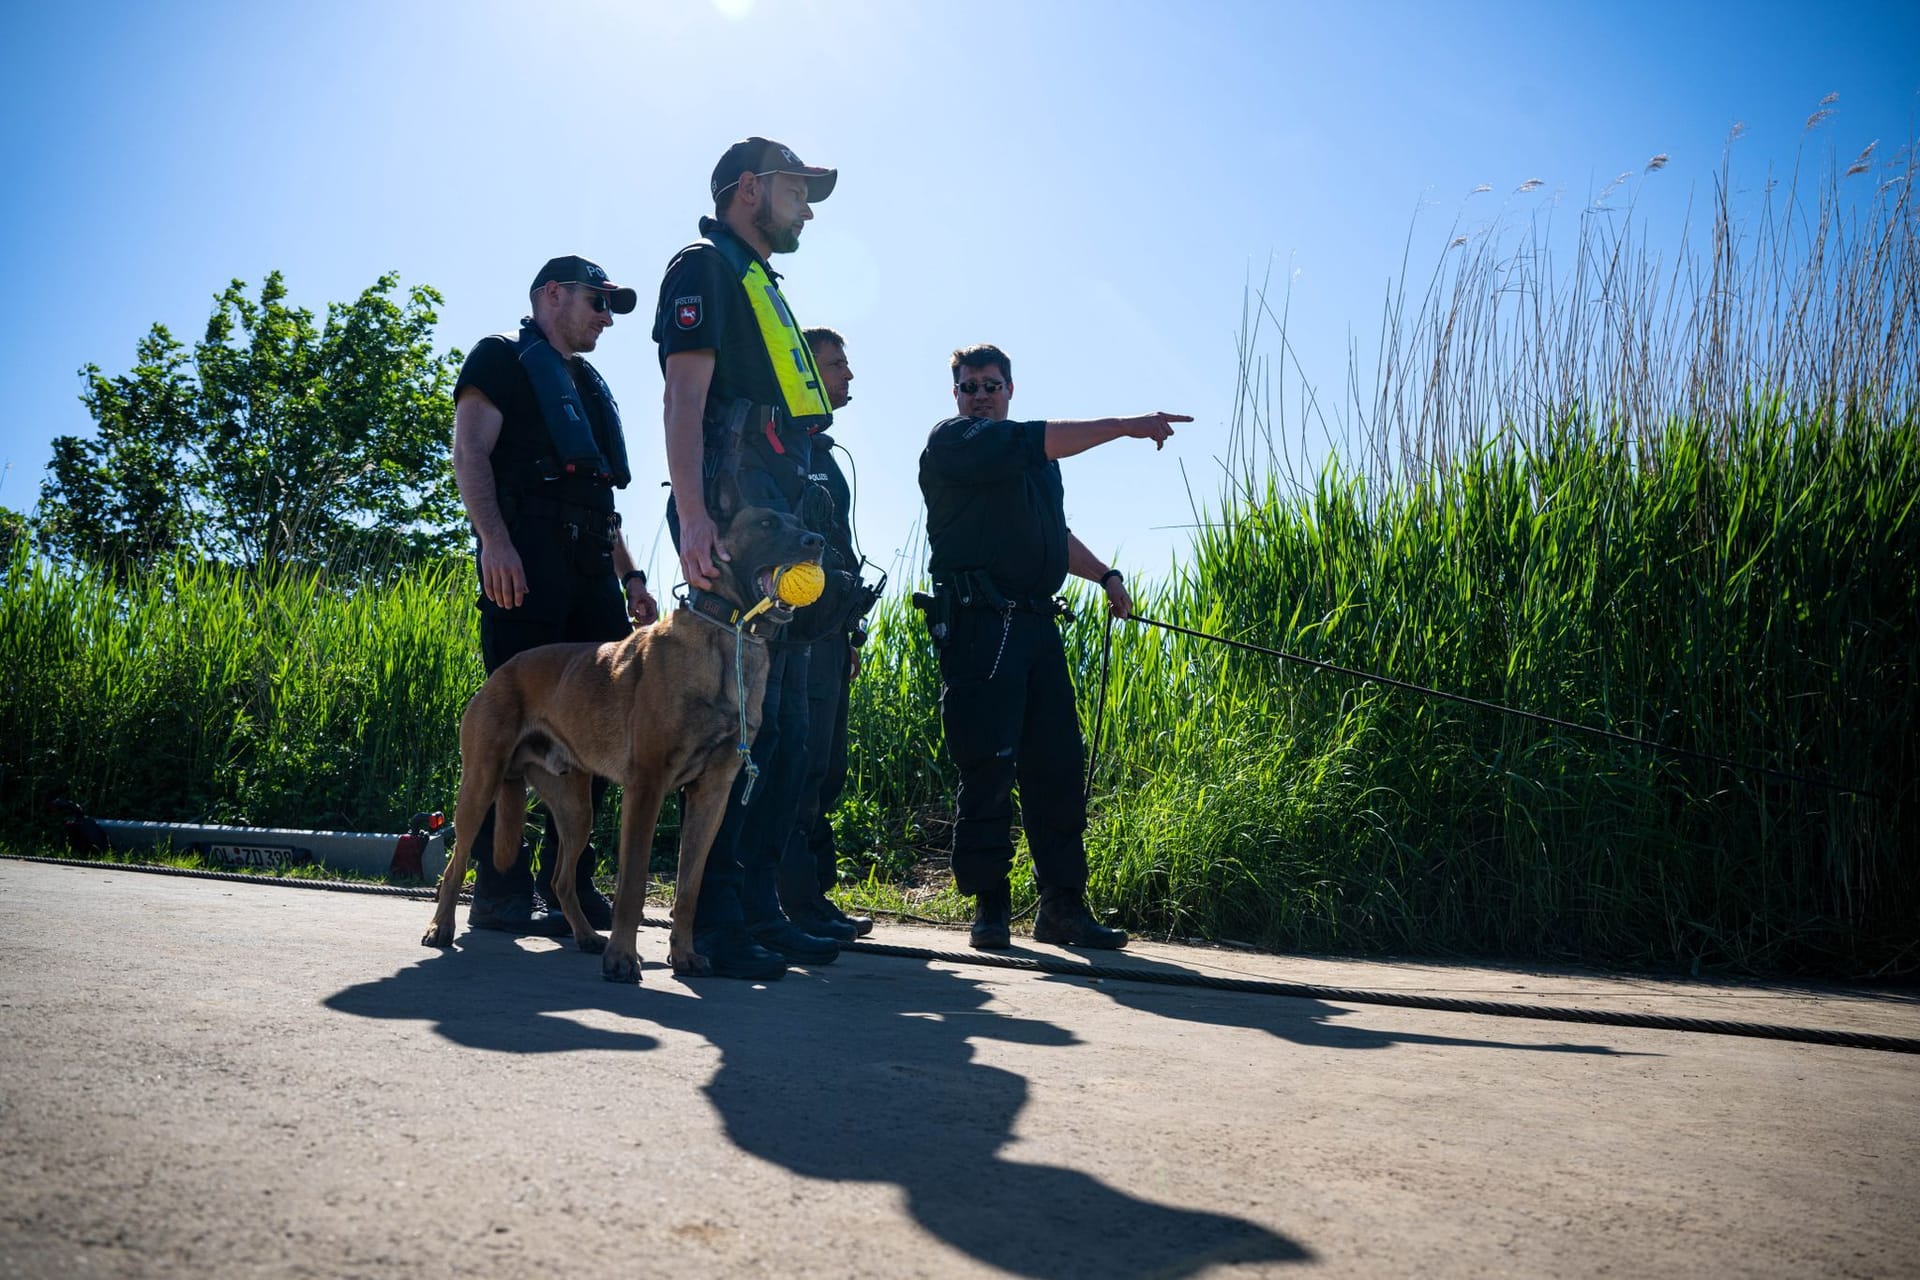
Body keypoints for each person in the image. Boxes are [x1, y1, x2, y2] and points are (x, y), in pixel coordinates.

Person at [917, 343, 1189, 950]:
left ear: (1010, 389)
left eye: (992, 385)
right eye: (970, 386)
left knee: (1059, 769)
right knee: (987, 766)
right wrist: (1126, 426)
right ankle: (990, 910)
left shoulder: (1039, 464)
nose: (981, 395)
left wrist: (1105, 576)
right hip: (981, 626)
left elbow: (1051, 534)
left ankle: (1063, 908)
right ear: (955, 395)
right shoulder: (954, 442)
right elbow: (1035, 439)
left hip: (1038, 627)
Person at [652, 137, 845, 979]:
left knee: (789, 735)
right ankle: (711, 923)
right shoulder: (704, 267)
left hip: (780, 528)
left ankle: (759, 909)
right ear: (746, 191)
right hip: (734, 531)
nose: (805, 205)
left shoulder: (763, 280)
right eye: (795, 188)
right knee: (739, 733)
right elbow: (684, 396)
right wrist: (694, 519)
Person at [451, 255, 659, 935]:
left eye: (609, 306)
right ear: (551, 295)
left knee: (599, 728)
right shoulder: (502, 359)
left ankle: (566, 879)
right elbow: (470, 452)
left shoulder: (587, 385)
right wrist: (495, 541)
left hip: (592, 573)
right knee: (510, 734)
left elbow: (601, 501)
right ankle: (499, 889)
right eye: (597, 302)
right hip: (526, 564)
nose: (605, 317)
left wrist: (630, 578)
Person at [775, 326, 878, 941]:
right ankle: (796, 903)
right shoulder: (782, 448)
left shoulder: (825, 454)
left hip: (832, 634)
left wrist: (852, 635)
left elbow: (838, 548)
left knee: (828, 767)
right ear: (804, 371)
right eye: (836, 364)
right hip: (796, 635)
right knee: (802, 764)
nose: (847, 375)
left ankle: (814, 896)